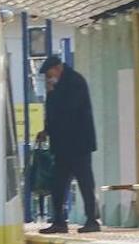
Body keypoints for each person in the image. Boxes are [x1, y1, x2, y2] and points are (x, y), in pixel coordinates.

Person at [36, 55, 100, 234]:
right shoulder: (56, 87)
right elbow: (53, 113)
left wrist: (53, 93)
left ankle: (92, 220)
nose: (48, 78)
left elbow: (68, 111)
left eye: (49, 74)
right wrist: (46, 130)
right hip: (63, 146)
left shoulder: (75, 82)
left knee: (85, 183)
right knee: (58, 185)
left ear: (58, 68)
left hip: (79, 145)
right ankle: (58, 221)